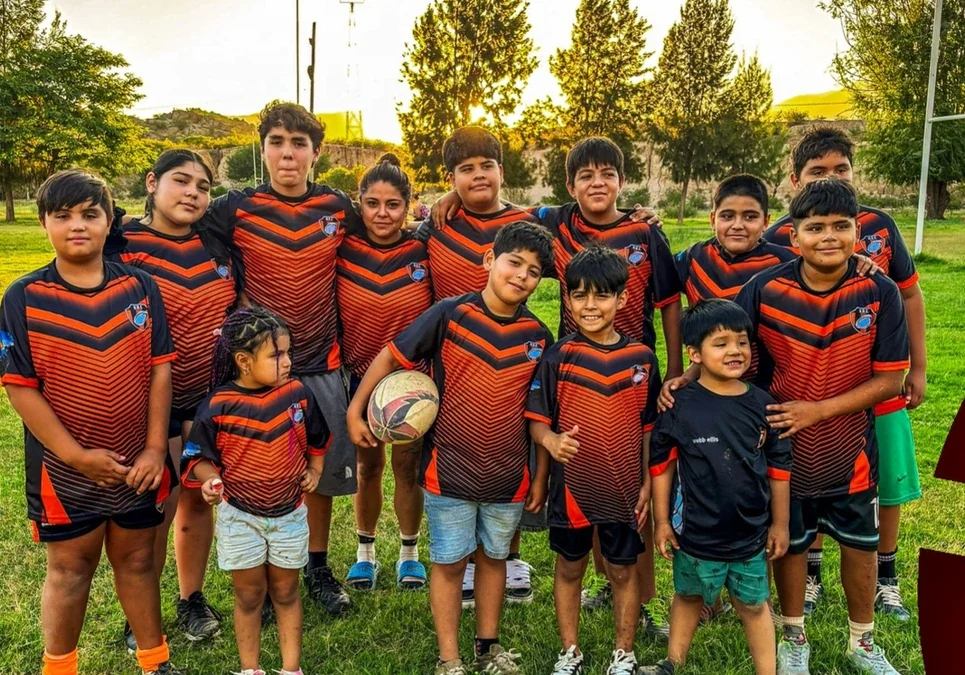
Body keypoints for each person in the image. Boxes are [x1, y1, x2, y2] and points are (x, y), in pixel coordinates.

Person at [347, 221, 555, 675]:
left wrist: (539, 477)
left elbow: (540, 416)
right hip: (449, 470)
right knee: (448, 561)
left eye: (534, 271)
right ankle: (450, 657)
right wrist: (356, 409)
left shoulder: (539, 338)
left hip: (508, 474)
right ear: (488, 260)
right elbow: (390, 356)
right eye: (513, 262)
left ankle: (487, 646)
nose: (521, 276)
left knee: (494, 559)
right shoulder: (449, 315)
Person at [0, 169, 183, 675]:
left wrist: (152, 450)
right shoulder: (23, 297)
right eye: (63, 216)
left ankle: (155, 662)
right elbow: (21, 388)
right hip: (63, 473)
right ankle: (58, 667)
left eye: (89, 214)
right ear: (44, 224)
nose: (76, 225)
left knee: (140, 562)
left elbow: (160, 372)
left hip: (135, 464)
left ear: (108, 222)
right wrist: (76, 456)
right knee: (69, 569)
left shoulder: (141, 288)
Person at [736, 178, 909, 675]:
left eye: (840, 226)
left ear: (858, 232)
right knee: (789, 543)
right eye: (815, 227)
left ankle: (863, 643)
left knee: (860, 545)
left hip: (849, 448)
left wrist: (819, 410)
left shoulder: (878, 290)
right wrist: (685, 379)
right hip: (785, 450)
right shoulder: (766, 288)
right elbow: (727, 343)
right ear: (794, 237)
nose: (828, 236)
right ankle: (794, 639)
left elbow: (891, 379)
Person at [198, 102, 360, 616]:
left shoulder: (337, 208)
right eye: (277, 142)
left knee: (319, 471)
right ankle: (262, 578)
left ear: (316, 153)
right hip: (254, 371)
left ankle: (314, 566)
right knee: (255, 467)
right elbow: (178, 230)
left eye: (298, 144)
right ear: (262, 148)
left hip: (321, 361)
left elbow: (384, 237)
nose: (287, 153)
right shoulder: (234, 208)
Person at [763, 126, 925, 620]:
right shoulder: (778, 238)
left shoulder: (879, 227)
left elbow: (911, 294)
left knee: (882, 477)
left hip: (873, 372)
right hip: (808, 377)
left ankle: (887, 575)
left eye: (841, 170)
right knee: (808, 475)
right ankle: (808, 575)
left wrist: (917, 366)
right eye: (818, 171)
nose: (832, 177)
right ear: (795, 180)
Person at [535, 137, 681, 639]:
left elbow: (668, 302)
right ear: (570, 184)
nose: (597, 183)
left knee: (631, 491)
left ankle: (643, 602)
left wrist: (677, 367)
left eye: (607, 173)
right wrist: (444, 202)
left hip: (630, 374)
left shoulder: (645, 231)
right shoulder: (555, 225)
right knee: (589, 480)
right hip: (576, 377)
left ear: (622, 179)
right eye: (585, 176)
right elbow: (506, 215)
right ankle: (608, 582)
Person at [109, 149, 237, 647]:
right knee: (155, 506)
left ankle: (191, 598)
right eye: (181, 182)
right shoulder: (122, 244)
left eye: (203, 187)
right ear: (152, 183)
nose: (192, 193)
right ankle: (142, 610)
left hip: (205, 397)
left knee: (198, 501)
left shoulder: (218, 245)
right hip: (147, 400)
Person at [415, 126, 546, 605]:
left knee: (504, 448)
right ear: (452, 177)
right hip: (449, 359)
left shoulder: (533, 220)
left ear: (501, 171)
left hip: (510, 359)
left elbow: (582, 219)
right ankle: (449, 560)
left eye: (485, 166)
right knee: (444, 463)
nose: (477, 176)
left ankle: (504, 561)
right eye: (465, 170)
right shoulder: (436, 226)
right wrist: (447, 197)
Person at [526, 246, 661, 675]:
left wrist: (646, 485)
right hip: (571, 491)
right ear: (567, 299)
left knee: (623, 573)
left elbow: (648, 428)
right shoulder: (558, 357)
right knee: (569, 569)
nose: (590, 305)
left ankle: (624, 654)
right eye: (580, 295)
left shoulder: (641, 359)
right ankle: (570, 651)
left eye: (601, 296)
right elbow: (537, 422)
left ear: (622, 300)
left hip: (623, 490)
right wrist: (551, 442)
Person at [640, 298, 792, 675]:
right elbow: (660, 465)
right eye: (720, 343)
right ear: (694, 353)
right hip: (695, 533)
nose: (735, 351)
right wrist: (661, 521)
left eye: (742, 342)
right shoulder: (679, 406)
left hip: (750, 534)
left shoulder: (764, 405)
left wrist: (780, 524)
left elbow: (779, 467)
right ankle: (672, 663)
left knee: (755, 606)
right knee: (688, 596)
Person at [181, 306, 327, 675]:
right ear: (244, 361)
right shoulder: (218, 405)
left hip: (290, 514)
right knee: (248, 596)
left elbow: (319, 438)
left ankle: (291, 668)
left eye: (288, 352)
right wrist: (209, 480)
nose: (287, 361)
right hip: (239, 517)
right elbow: (198, 454)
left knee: (287, 592)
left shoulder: (298, 394)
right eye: (276, 355)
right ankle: (250, 669)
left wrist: (314, 469)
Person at [336, 153, 432, 591]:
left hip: (412, 383)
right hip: (360, 377)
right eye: (372, 203)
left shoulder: (422, 249)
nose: (382, 213)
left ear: (409, 206)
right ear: (359, 204)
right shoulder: (344, 248)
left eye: (393, 204)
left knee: (408, 469)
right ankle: (366, 553)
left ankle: (409, 554)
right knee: (367, 467)